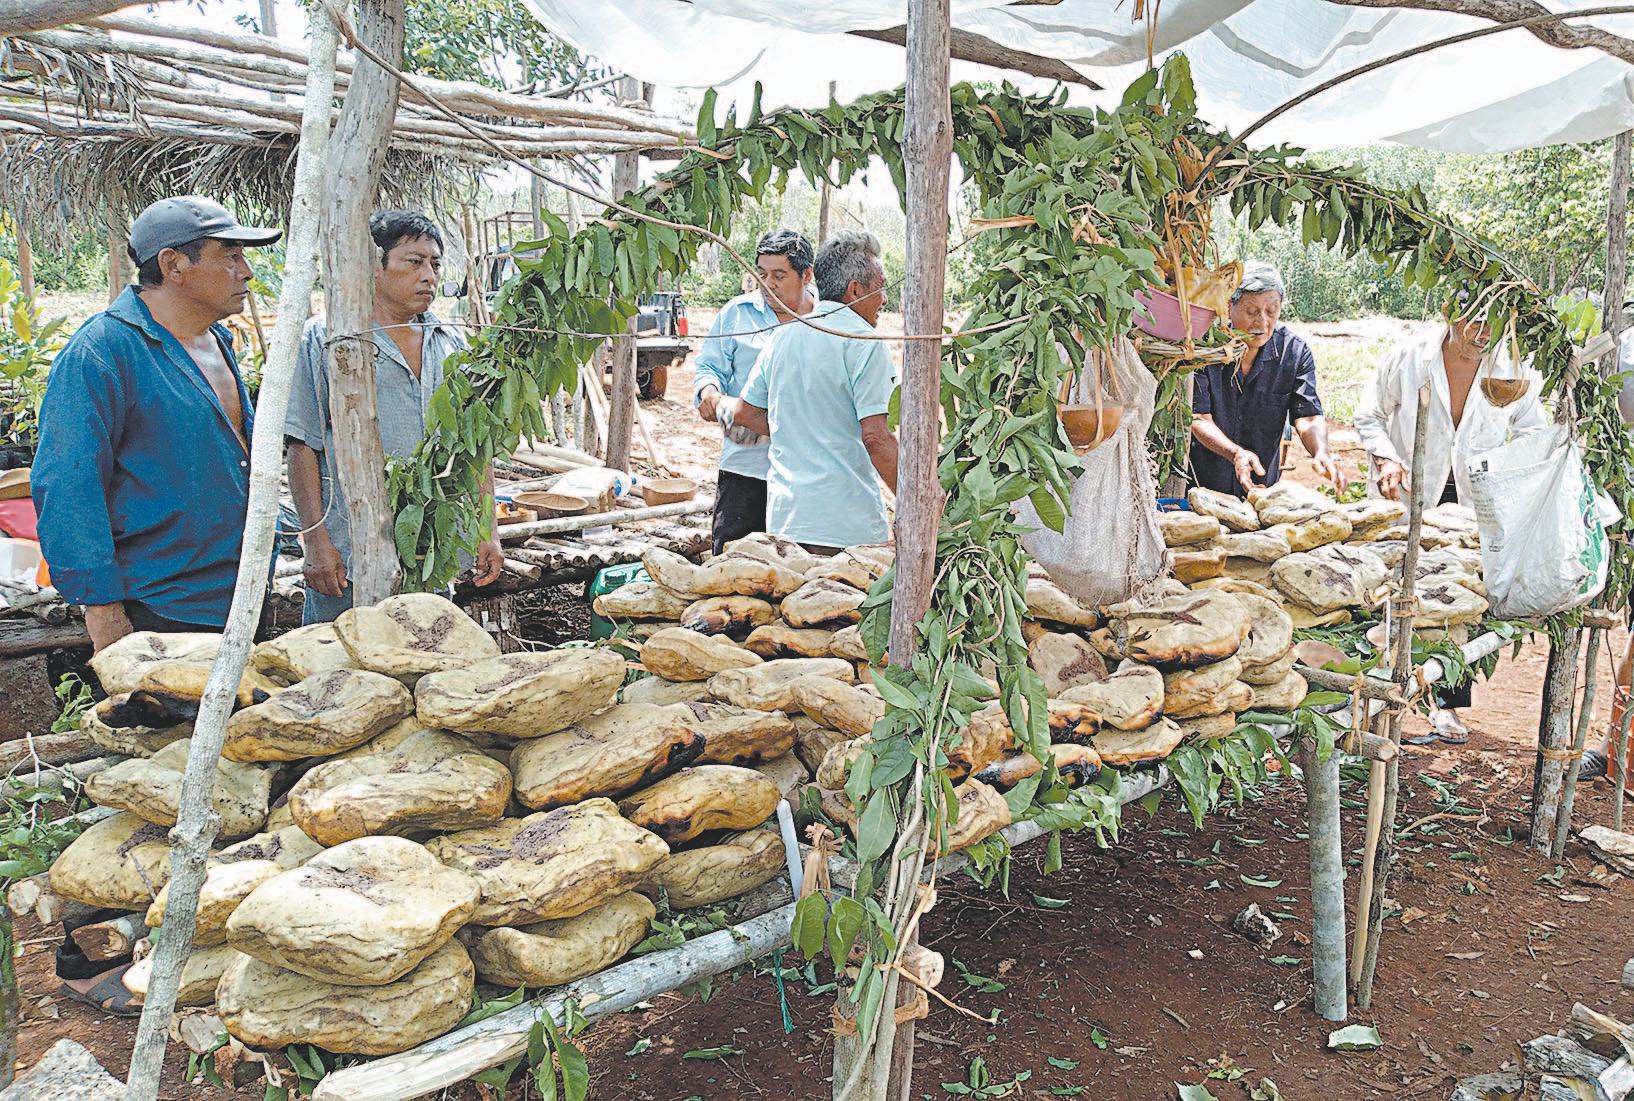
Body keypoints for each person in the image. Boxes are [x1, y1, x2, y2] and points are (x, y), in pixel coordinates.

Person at [33, 196, 281, 652]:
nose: (246, 271)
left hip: (239, 592)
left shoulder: (217, 340)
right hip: (160, 605)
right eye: (230, 256)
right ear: (173, 265)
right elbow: (68, 483)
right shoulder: (103, 352)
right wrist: (102, 607)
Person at [285, 209, 503, 624]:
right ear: (374, 266)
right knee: (341, 655)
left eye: (435, 264)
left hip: (431, 551)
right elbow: (302, 445)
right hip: (350, 553)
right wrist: (315, 541)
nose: (429, 276)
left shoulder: (452, 342)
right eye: (414, 262)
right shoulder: (329, 339)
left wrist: (485, 529)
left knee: (426, 647)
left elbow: (475, 449)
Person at [1354, 299, 1546, 742]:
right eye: (1474, 320)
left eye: (1493, 322)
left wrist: (1505, 471)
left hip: (1471, 502)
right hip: (1408, 493)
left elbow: (1533, 430)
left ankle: (1447, 705)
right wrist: (1386, 457)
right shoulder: (1410, 358)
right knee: (1393, 593)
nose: (1484, 332)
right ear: (1449, 313)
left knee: (1457, 596)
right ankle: (1378, 699)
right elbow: (1369, 415)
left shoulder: (1513, 370)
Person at [728, 230, 898, 555]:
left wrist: (797, 430)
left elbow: (746, 413)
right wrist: (917, 502)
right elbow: (876, 438)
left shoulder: (783, 336)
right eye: (881, 287)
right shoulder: (864, 343)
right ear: (855, 290)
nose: (885, 299)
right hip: (845, 528)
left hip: (786, 523)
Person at [693, 228, 816, 553]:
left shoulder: (826, 320)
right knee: (732, 568)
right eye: (761, 274)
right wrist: (708, 392)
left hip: (806, 476)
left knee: (801, 571)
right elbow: (709, 367)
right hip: (744, 469)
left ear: (806, 275)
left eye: (779, 275)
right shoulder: (736, 314)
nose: (768, 284)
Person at [1189, 262, 1348, 497]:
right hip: (1201, 489)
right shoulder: (1204, 348)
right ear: (1228, 306)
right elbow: (1198, 417)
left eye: (1271, 311)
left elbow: (1308, 416)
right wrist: (1235, 453)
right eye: (1251, 312)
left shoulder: (1294, 352)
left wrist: (1321, 451)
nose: (1262, 322)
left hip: (1262, 491)